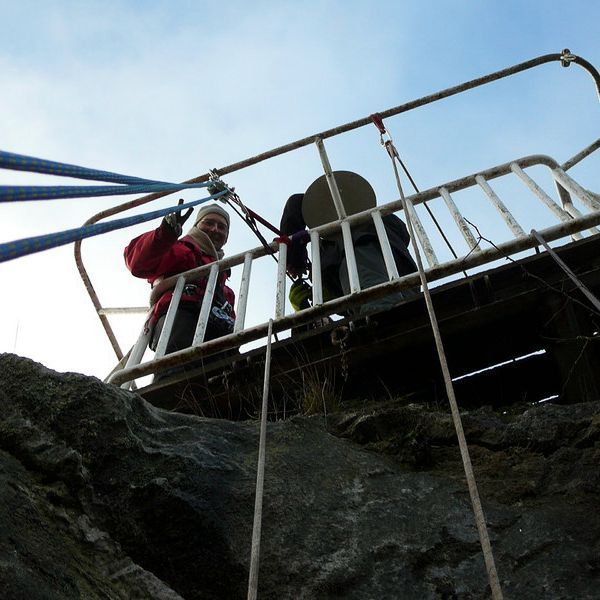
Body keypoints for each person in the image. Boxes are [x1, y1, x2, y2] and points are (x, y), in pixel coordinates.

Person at [280, 172, 418, 316]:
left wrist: (293, 255)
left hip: (380, 294)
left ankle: (382, 316)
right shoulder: (332, 253)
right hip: (388, 294)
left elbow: (296, 203)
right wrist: (305, 310)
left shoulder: (364, 228)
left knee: (377, 302)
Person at [124, 202, 236, 359]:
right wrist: (165, 234)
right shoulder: (180, 249)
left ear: (226, 237)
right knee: (178, 376)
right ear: (197, 225)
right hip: (179, 318)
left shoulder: (224, 286)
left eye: (221, 227)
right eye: (208, 223)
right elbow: (138, 263)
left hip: (217, 329)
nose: (215, 229)